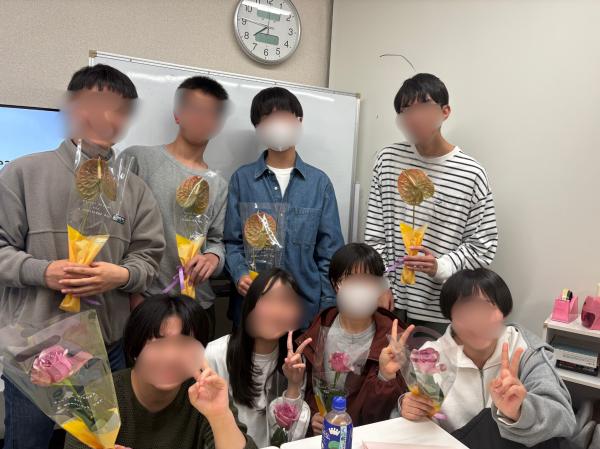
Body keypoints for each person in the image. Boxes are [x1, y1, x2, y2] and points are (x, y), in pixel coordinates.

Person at [0, 64, 165, 449]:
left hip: (106, 346)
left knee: (104, 444)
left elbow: (148, 258)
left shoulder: (134, 189)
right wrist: (43, 272)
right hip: (33, 347)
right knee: (28, 443)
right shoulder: (23, 173)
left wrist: (121, 276)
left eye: (120, 110)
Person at [365, 73, 498, 333]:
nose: (414, 117)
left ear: (445, 111)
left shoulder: (470, 173)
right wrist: (380, 284)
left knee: (432, 361)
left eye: (423, 107)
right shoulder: (388, 160)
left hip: (443, 308)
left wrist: (440, 266)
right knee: (385, 360)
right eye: (406, 111)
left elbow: (483, 246)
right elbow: (375, 232)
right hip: (390, 302)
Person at [397, 268, 578, 449]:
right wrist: (410, 408)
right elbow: (418, 430)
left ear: (504, 311)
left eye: (487, 307)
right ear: (449, 314)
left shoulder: (526, 350)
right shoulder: (429, 358)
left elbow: (564, 420)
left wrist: (520, 411)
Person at [63, 294, 256, 449]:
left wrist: (219, 415)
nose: (171, 357)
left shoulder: (203, 393)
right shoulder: (97, 397)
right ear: (135, 348)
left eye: (184, 344)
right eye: (158, 343)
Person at [224, 86, 344, 328]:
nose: (277, 124)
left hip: (305, 310)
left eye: (284, 116)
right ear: (258, 127)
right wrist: (239, 274)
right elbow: (232, 241)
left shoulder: (319, 183)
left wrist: (327, 309)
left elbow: (329, 253)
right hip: (253, 306)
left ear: (299, 121)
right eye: (268, 117)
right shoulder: (242, 179)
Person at [122, 76, 229, 337]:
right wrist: (133, 293)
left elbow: (217, 240)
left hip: (197, 306)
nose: (202, 118)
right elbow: (117, 228)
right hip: (146, 301)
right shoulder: (138, 159)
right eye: (195, 109)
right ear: (178, 114)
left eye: (211, 113)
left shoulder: (218, 184)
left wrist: (213, 258)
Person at [297, 243, 408, 435]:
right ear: (335, 284)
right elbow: (306, 391)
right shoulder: (318, 330)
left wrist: (385, 377)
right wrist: (312, 416)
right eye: (352, 279)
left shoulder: (393, 340)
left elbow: (389, 414)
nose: (360, 288)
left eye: (369, 280)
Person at [205, 268, 312, 447]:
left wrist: (294, 385)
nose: (276, 311)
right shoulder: (215, 355)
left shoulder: (295, 361)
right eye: (267, 300)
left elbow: (291, 438)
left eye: (285, 302)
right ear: (250, 305)